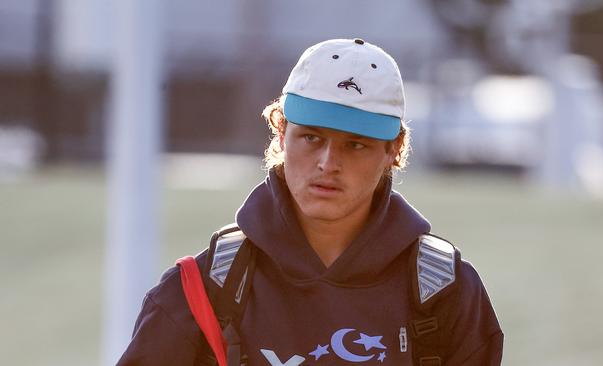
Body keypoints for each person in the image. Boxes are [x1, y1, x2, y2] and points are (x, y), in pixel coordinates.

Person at [118, 38, 503, 366]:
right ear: (281, 130)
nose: (328, 164)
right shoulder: (203, 288)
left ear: (393, 150)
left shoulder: (445, 292)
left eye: (355, 145)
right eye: (312, 138)